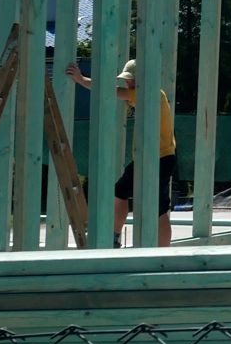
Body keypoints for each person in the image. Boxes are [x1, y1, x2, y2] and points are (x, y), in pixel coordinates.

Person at [64, 59, 175, 247]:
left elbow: (110, 90)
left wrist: (81, 80)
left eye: (131, 79)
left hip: (159, 158)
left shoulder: (151, 94)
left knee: (157, 207)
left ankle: (159, 251)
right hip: (152, 158)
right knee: (123, 192)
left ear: (144, 79)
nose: (128, 83)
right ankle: (114, 238)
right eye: (127, 80)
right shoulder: (149, 94)